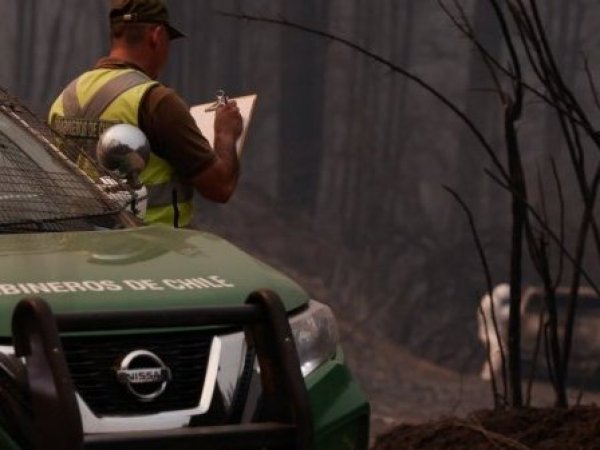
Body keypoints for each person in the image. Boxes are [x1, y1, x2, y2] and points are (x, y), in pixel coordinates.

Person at [48, 0, 243, 228]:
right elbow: (220, 187)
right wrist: (225, 134)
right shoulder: (156, 102)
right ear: (156, 36)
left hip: (78, 243)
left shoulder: (64, 99)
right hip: (152, 245)